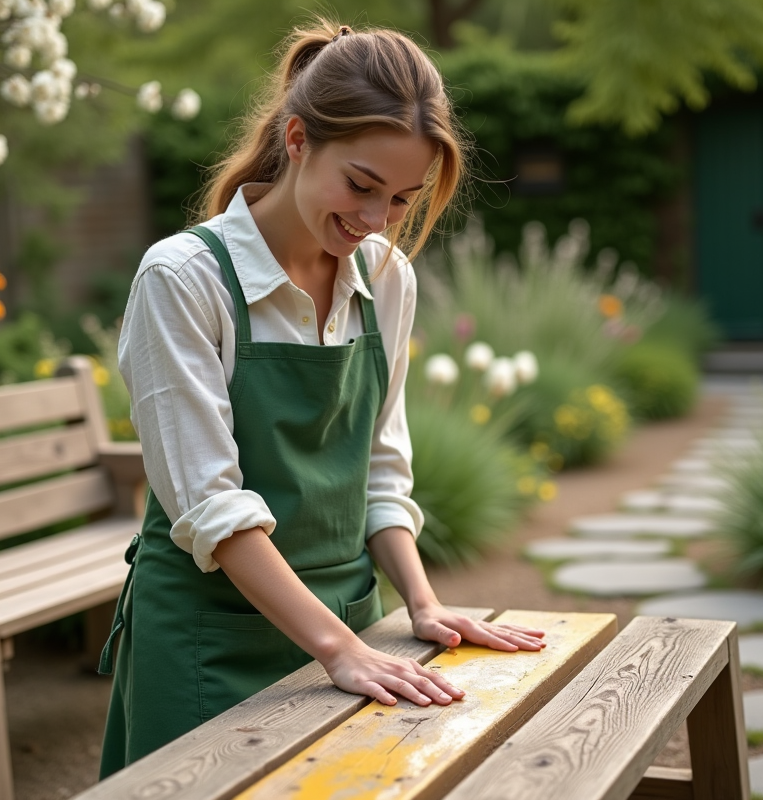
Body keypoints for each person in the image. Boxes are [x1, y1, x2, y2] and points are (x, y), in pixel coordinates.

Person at [97, 20, 546, 776]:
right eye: (361, 186)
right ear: (298, 140)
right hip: (214, 639)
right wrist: (336, 648)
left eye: (402, 199)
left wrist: (422, 604)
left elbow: (381, 466)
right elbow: (210, 506)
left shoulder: (385, 279)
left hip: (355, 626)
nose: (375, 220)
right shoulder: (182, 280)